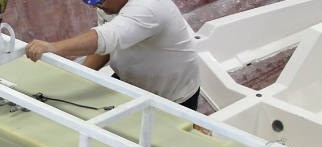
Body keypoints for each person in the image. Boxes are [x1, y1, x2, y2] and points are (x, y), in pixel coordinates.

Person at [25, 0, 201, 110]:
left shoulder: (149, 7)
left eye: (99, 0)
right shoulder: (108, 6)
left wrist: (53, 47)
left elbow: (106, 38)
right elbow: (106, 48)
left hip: (171, 98)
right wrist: (78, 78)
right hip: (129, 83)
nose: (95, 6)